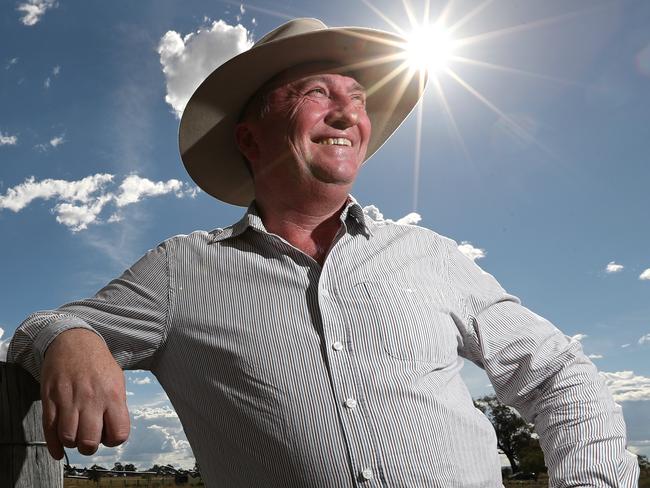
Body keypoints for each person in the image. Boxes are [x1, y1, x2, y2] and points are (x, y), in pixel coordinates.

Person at [9, 18, 639, 487]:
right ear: (250, 137)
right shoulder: (184, 267)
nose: (347, 110)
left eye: (357, 97)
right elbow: (43, 326)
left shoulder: (429, 254)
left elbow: (559, 374)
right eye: (316, 92)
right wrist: (74, 337)